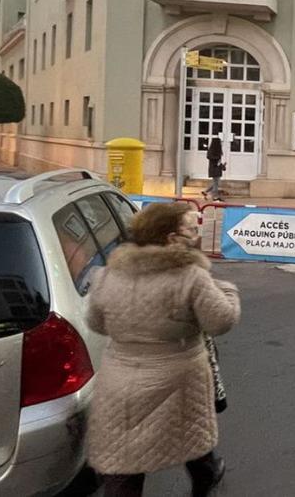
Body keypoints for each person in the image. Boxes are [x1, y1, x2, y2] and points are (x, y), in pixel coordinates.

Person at [85, 201, 240, 497]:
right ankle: (206, 482)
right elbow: (220, 321)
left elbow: (97, 324)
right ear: (171, 238)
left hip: (118, 380)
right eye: (192, 229)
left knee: (123, 462)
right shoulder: (191, 277)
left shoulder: (107, 275)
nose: (197, 234)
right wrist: (230, 292)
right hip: (178, 377)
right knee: (190, 434)